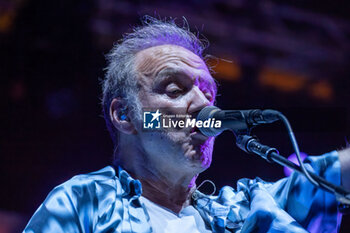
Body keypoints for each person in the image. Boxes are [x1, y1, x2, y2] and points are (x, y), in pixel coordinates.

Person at [24, 16, 350, 233]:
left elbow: (334, 174)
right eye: (175, 90)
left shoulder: (240, 213)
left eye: (208, 91)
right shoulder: (84, 203)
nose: (203, 104)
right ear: (124, 116)